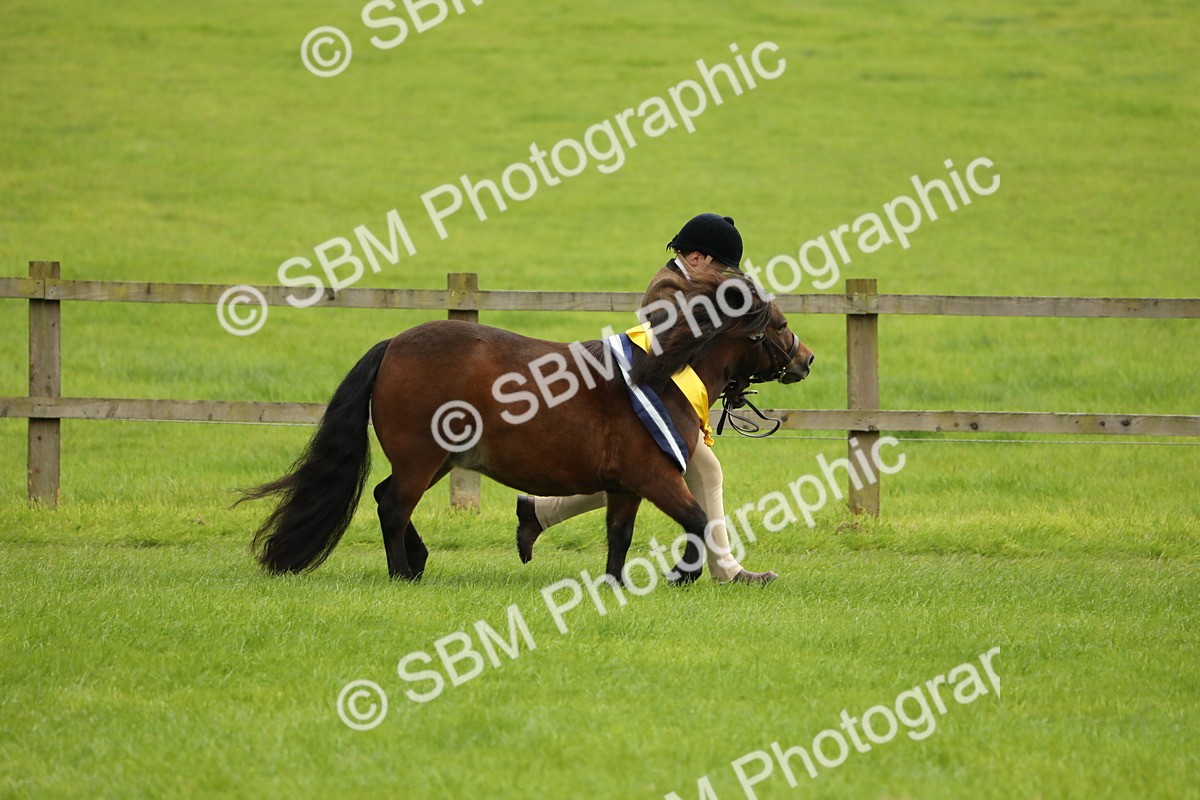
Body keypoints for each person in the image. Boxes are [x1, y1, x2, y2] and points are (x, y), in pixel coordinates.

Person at [515, 213, 778, 585]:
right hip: (648, 405)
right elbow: (675, 348)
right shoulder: (667, 287)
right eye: (720, 268)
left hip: (669, 403)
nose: (722, 278)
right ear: (698, 258)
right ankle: (726, 571)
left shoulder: (688, 282)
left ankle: (540, 512)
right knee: (689, 473)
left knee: (646, 478)